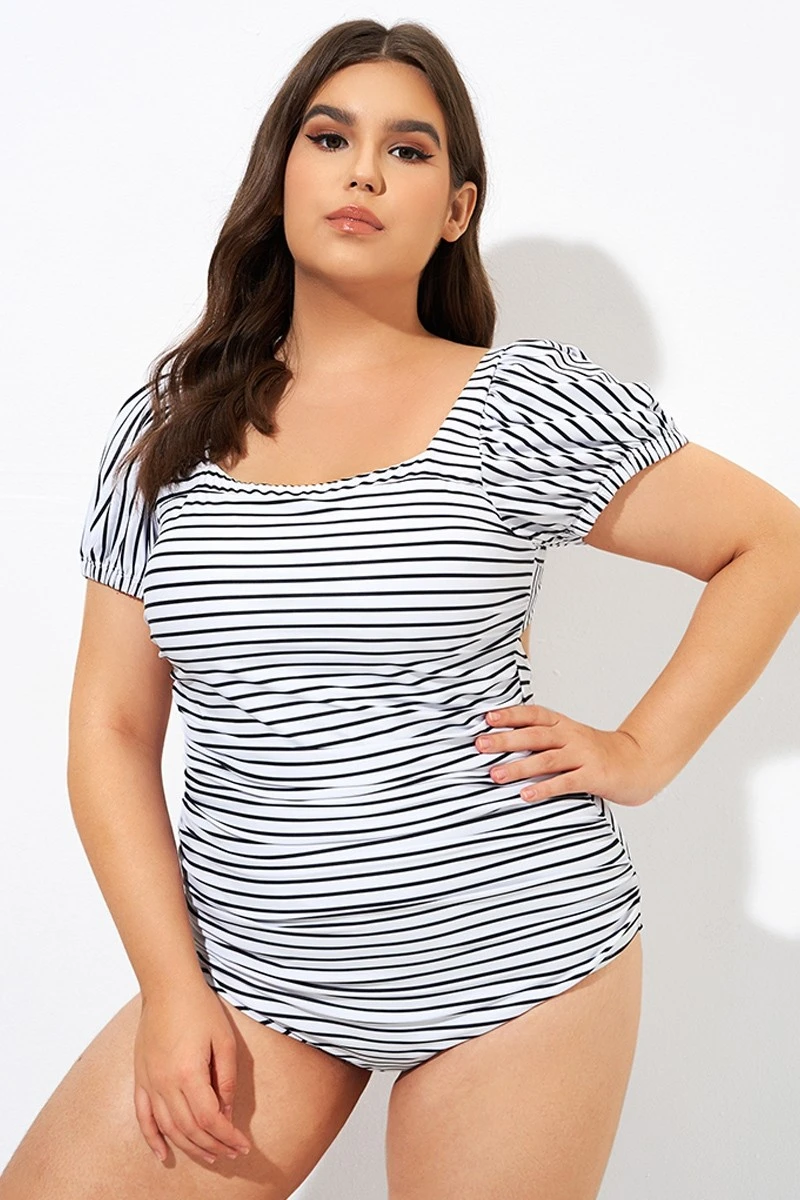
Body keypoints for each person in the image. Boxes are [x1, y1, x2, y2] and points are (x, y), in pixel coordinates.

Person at [3, 17, 799, 1200]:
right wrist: (172, 991)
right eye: (330, 138)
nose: (364, 172)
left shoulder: (522, 402)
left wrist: (640, 750)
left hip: (517, 957)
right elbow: (110, 731)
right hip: (253, 972)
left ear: (456, 209)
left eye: (408, 150)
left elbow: (766, 542)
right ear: (282, 173)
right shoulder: (171, 426)